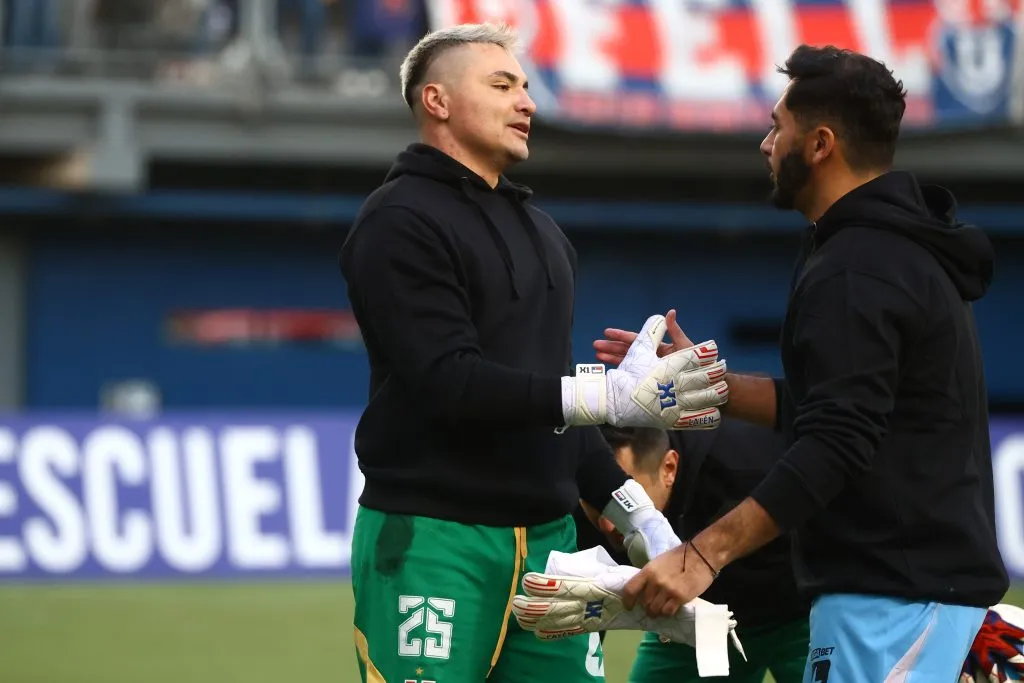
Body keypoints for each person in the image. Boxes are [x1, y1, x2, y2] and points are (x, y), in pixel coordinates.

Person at [597, 44, 1011, 682]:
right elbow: (838, 408)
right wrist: (707, 386)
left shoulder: (857, 265)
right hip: (898, 596)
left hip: (892, 602)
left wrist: (701, 555)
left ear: (820, 144)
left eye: (777, 126)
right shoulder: (878, 250)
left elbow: (837, 441)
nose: (766, 144)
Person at [337, 22, 730, 683]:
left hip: (551, 546)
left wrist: (637, 515)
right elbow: (447, 381)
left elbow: (551, 413)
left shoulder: (546, 236)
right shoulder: (398, 220)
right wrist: (604, 395)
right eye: (502, 85)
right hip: (435, 538)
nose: (528, 102)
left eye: (524, 86)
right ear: (437, 100)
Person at [573, 424, 809, 683]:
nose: (608, 524)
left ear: (669, 468)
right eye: (600, 502)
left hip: (799, 618)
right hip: (693, 625)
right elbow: (586, 618)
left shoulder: (746, 469)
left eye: (626, 500)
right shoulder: (583, 494)